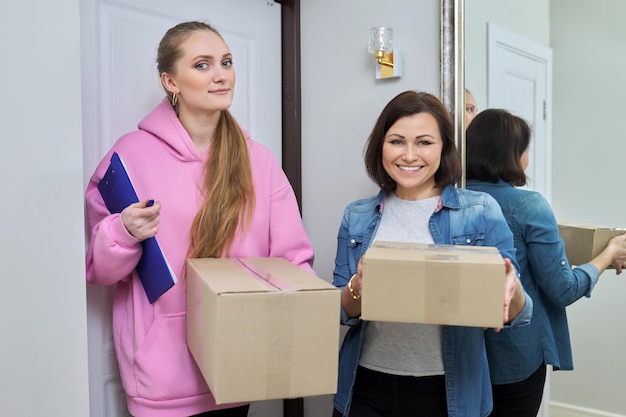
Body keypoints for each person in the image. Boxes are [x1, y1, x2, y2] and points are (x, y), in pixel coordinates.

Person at [85, 21, 314, 417]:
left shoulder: (259, 161)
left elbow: (293, 259)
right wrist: (124, 231)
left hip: (235, 363)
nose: (221, 74)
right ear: (170, 81)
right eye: (203, 65)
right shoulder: (130, 156)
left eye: (225, 62)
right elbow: (100, 269)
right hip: (160, 375)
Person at [331, 90, 532, 417]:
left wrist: (513, 290)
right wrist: (358, 287)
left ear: (444, 149)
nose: (409, 155)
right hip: (365, 385)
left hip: (449, 392)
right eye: (397, 141)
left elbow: (519, 315)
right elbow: (340, 311)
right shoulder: (357, 215)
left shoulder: (480, 211)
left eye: (424, 142)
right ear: (379, 146)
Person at [465, 108, 626, 417]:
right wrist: (609, 254)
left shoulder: (452, 198)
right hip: (514, 357)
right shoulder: (528, 204)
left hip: (463, 357)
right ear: (513, 154)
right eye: (526, 149)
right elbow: (562, 289)